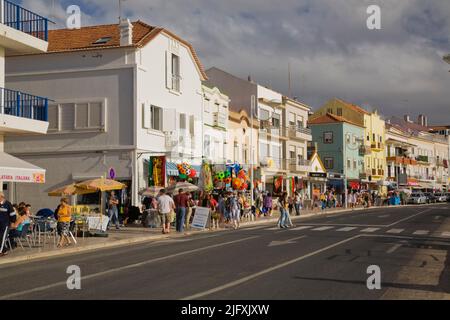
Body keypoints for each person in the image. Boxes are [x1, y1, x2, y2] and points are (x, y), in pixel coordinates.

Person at [0, 192, 16, 257]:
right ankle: (4, 250)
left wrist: (12, 222)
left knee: (1, 238)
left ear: (1, 197)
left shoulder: (8, 204)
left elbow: (13, 215)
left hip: (5, 224)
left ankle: (0, 251)